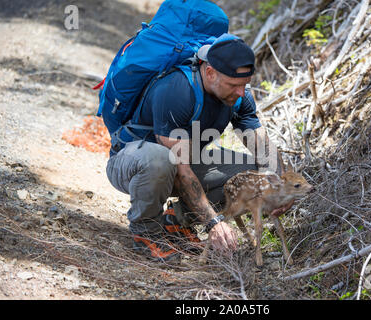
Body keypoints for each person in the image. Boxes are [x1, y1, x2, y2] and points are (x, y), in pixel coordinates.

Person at [106, 34, 290, 261]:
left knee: (253, 173)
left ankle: (178, 221)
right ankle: (146, 232)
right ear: (210, 72)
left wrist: (280, 185)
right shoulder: (177, 90)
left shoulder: (240, 95)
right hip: (133, 164)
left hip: (181, 164)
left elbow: (262, 146)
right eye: (234, 85)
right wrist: (213, 222)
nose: (241, 92)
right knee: (161, 159)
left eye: (244, 84)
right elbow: (180, 169)